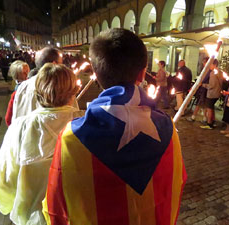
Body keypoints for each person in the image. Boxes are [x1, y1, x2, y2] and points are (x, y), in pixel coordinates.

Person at [42, 28, 187, 225]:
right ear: (143, 73)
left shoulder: (71, 137)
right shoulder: (167, 128)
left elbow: (56, 208)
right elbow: (177, 183)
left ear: (96, 73)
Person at [0, 63, 83, 225]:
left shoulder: (20, 128)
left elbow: (5, 183)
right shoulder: (85, 123)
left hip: (34, 218)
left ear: (38, 90)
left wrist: (8, 206)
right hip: (78, 216)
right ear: (74, 91)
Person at [12, 47, 79, 122]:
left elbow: (16, 116)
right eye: (61, 63)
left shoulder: (23, 86)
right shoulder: (63, 86)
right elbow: (74, 119)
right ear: (54, 64)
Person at [5, 60, 30, 126]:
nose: (27, 74)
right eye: (24, 72)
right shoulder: (17, 92)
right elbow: (8, 118)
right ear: (16, 75)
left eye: (27, 71)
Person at [200, 59, 223, 129]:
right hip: (217, 93)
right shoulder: (220, 72)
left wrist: (203, 85)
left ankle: (209, 123)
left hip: (212, 93)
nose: (209, 66)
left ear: (214, 65)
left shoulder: (213, 73)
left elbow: (211, 85)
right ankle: (212, 121)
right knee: (211, 108)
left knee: (209, 108)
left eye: (210, 64)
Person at [187, 57, 209, 122]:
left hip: (204, 89)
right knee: (203, 104)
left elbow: (203, 79)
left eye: (204, 62)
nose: (203, 63)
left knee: (199, 103)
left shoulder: (208, 70)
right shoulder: (206, 70)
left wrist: (200, 83)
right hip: (204, 89)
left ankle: (193, 116)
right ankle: (205, 118)